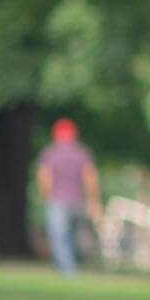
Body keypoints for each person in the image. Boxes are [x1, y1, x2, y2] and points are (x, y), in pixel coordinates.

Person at [36, 117, 102, 275]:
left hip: (57, 200)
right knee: (71, 235)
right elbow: (91, 178)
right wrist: (94, 200)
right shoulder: (82, 153)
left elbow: (44, 177)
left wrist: (46, 196)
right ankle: (68, 266)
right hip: (77, 200)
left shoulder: (50, 153)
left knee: (60, 236)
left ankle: (68, 270)